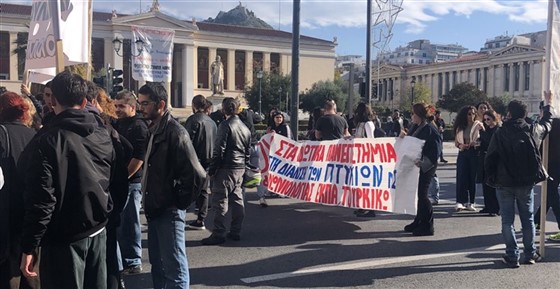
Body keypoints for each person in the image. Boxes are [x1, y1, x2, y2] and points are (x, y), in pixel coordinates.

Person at [19, 71, 114, 289]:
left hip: (65, 238)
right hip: (97, 228)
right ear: (84, 101)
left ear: (53, 100)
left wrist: (29, 246)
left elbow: (42, 200)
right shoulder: (102, 132)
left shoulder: (46, 141)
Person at [137, 82, 206, 288]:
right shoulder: (154, 129)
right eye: (140, 103)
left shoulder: (175, 132)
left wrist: (177, 201)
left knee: (174, 269)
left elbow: (197, 175)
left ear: (161, 104)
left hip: (168, 210)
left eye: (145, 103)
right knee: (158, 266)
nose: (141, 108)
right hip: (156, 209)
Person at [485, 92, 552, 268]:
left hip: (504, 182)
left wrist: (491, 177)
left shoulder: (500, 132)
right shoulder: (531, 129)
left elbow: (490, 157)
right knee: (527, 219)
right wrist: (548, 105)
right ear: (524, 114)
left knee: (507, 221)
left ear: (509, 113)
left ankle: (512, 255)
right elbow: (546, 125)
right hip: (526, 181)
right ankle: (529, 253)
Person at [202, 97, 251, 245]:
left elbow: (219, 150)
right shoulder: (245, 127)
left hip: (226, 167)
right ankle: (235, 230)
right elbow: (247, 151)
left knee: (220, 200)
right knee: (237, 200)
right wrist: (245, 166)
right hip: (239, 167)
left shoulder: (225, 125)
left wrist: (212, 169)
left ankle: (218, 233)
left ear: (224, 109)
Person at [0, 92, 37, 289]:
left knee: (8, 275)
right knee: (30, 273)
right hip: (32, 213)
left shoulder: (1, 133)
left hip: (7, 215)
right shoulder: (35, 135)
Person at [114, 90, 149, 276]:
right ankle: (124, 260)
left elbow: (138, 158)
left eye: (121, 106)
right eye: (116, 105)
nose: (117, 109)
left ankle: (134, 260)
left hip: (131, 183)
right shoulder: (118, 124)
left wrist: (123, 177)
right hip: (119, 182)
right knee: (121, 223)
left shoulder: (138, 127)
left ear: (132, 107)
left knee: (130, 222)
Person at [402, 103, 441, 236]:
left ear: (419, 115)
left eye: (413, 114)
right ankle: (419, 220)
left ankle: (428, 225)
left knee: (423, 195)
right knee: (417, 194)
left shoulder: (430, 129)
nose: (411, 116)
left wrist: (424, 162)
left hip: (426, 165)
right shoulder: (417, 127)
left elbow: (435, 151)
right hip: (416, 164)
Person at [184, 95, 216, 230]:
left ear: (194, 105)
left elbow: (186, 141)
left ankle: (181, 214)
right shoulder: (212, 122)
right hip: (208, 160)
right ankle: (201, 218)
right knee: (203, 189)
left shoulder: (193, 120)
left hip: (194, 159)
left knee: (187, 187)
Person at [453, 105, 484, 211]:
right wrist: (461, 145)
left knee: (472, 177)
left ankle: (471, 202)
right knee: (461, 177)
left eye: (473, 113)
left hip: (474, 152)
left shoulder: (479, 126)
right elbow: (456, 142)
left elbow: (483, 140)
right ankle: (460, 201)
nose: (471, 116)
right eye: (469, 114)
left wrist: (474, 144)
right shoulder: (460, 127)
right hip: (463, 152)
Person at [535, 115, 560, 240]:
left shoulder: (551, 124)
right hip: (553, 162)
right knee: (549, 192)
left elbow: (539, 143)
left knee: (552, 193)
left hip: (551, 163)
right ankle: (537, 220)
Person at [352, 102, 377, 218]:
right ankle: (362, 206)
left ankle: (371, 209)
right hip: (360, 157)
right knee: (361, 184)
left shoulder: (367, 124)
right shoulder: (361, 124)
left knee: (367, 184)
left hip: (367, 158)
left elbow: (370, 140)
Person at [478, 110, 500, 216]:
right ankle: (488, 206)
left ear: (494, 118)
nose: (486, 121)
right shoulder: (486, 130)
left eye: (488, 119)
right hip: (484, 158)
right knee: (485, 183)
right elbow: (482, 142)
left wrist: (482, 132)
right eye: (485, 119)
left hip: (494, 159)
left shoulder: (497, 129)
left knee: (492, 185)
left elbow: (491, 141)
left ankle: (495, 208)